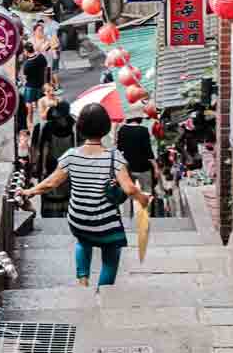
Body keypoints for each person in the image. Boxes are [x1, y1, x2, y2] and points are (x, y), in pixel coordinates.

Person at [19, 104, 147, 288]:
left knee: (83, 240)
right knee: (111, 253)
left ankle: (82, 279)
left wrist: (28, 192)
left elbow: (51, 183)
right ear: (105, 128)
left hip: (78, 218)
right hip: (105, 222)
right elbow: (128, 189)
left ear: (80, 128)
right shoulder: (114, 157)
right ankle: (102, 290)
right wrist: (142, 198)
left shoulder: (71, 156)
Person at [29, 99, 78, 217]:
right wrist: (40, 167)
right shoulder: (47, 127)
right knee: (51, 192)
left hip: (66, 168)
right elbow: (42, 149)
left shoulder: (74, 127)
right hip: (51, 167)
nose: (59, 120)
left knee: (64, 194)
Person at [115, 113, 164, 214]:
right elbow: (149, 151)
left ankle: (127, 215)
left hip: (128, 167)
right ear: (139, 118)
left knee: (127, 192)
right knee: (146, 191)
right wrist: (155, 167)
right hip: (143, 167)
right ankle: (146, 215)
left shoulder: (122, 130)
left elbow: (119, 150)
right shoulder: (143, 130)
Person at [19, 37, 50, 129]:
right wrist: (45, 82)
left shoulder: (28, 64)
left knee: (28, 105)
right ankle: (44, 122)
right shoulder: (41, 57)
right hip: (41, 85)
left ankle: (30, 123)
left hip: (30, 86)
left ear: (26, 51)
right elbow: (45, 69)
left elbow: (24, 77)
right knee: (41, 104)